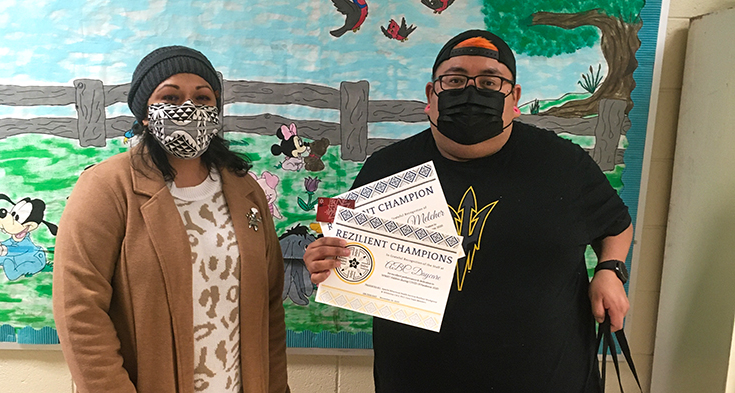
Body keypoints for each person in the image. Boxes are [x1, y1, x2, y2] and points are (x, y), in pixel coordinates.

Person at [304, 30, 633, 392]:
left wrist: (610, 269)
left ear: (515, 97)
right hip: (416, 380)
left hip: (550, 378)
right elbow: (338, 245)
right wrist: (324, 257)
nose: (472, 93)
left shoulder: (565, 163)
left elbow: (616, 224)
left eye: (490, 82)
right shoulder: (385, 167)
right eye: (455, 80)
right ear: (432, 94)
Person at [53, 46, 289, 393]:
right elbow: (79, 311)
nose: (189, 108)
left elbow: (270, 308)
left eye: (203, 97)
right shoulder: (106, 188)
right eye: (171, 96)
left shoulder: (245, 190)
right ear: (145, 113)